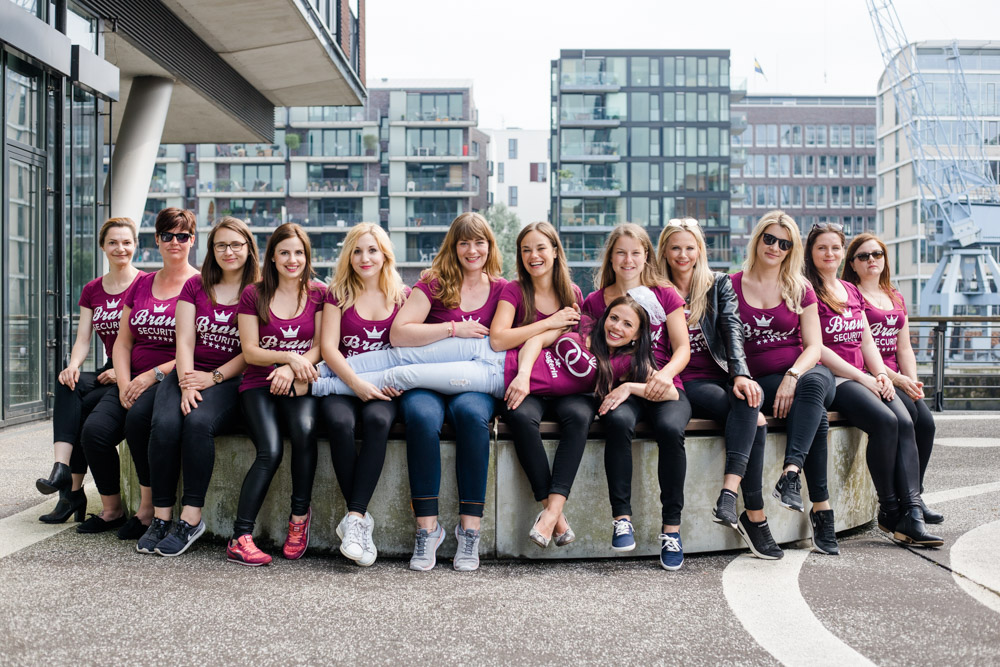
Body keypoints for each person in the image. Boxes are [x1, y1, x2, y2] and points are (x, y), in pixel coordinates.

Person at [806, 226, 942, 547]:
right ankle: (890, 509)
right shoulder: (807, 290)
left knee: (906, 421)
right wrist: (865, 376)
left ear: (841, 253)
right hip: (835, 378)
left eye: (835, 248)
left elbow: (866, 338)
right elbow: (817, 345)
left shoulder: (848, 291)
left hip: (866, 376)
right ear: (810, 253)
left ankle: (912, 511)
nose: (830, 254)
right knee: (885, 421)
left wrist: (881, 374)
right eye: (822, 248)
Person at [389, 212, 508, 572]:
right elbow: (399, 333)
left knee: (474, 418)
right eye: (464, 242)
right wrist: (452, 329)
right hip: (425, 382)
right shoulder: (436, 285)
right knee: (421, 419)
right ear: (453, 247)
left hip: (471, 385)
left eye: (480, 242)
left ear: (490, 245)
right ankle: (428, 528)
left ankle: (469, 530)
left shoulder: (503, 289)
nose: (472, 250)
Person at [657, 218, 780, 560]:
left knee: (749, 400)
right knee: (755, 420)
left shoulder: (717, 284)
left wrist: (741, 374)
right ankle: (753, 516)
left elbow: (732, 329)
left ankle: (729, 496)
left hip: (719, 375)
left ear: (700, 251)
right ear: (665, 251)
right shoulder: (653, 288)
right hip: (683, 382)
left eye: (690, 247)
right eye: (676, 247)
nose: (683, 254)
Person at [138, 217, 259, 556]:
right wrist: (189, 381)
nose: (228, 251)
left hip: (232, 378)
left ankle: (190, 519)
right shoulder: (196, 286)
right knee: (163, 424)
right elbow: (185, 340)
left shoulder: (258, 290)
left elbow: (252, 350)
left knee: (198, 423)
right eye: (221, 245)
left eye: (236, 244)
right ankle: (162, 517)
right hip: (189, 371)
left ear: (249, 248)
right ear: (211, 250)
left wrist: (214, 378)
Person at [79, 208, 199, 538]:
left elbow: (198, 348)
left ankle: (147, 511)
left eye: (182, 236)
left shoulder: (200, 285)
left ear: (192, 240)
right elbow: (122, 341)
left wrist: (152, 376)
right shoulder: (143, 283)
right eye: (167, 236)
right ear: (157, 240)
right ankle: (111, 509)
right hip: (130, 379)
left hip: (169, 378)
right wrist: (122, 382)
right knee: (95, 433)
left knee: (138, 423)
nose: (175, 242)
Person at [580, 223, 691, 570]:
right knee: (616, 420)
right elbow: (588, 350)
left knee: (671, 431)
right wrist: (623, 384)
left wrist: (665, 374)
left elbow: (683, 348)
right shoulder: (596, 301)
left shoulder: (665, 293)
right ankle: (622, 518)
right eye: (621, 252)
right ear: (611, 257)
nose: (628, 260)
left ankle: (671, 530)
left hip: (662, 383)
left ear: (646, 257)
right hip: (619, 385)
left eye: (635, 253)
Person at [732, 210, 839, 555]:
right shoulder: (731, 284)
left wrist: (792, 376)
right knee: (814, 418)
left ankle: (790, 473)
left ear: (792, 249)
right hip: (757, 381)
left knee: (813, 385)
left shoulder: (800, 287)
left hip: (803, 373)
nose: (775, 247)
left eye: (784, 243)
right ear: (757, 239)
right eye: (769, 238)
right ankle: (816, 509)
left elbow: (814, 347)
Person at [227, 223, 324, 567]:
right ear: (272, 257)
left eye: (299, 252)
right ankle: (240, 537)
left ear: (307, 257)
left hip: (299, 383)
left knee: (304, 431)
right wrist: (287, 357)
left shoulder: (319, 294)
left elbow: (320, 348)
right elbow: (251, 352)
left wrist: (292, 367)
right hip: (258, 384)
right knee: (269, 450)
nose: (292, 259)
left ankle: (298, 519)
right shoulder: (254, 294)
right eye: (284, 252)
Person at [489, 221, 590, 552]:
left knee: (579, 417)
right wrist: (547, 322)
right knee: (519, 416)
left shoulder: (572, 293)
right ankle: (555, 517)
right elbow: (499, 338)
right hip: (525, 380)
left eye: (541, 248)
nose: (534, 255)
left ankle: (550, 513)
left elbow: (573, 340)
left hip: (564, 382)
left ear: (555, 251)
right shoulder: (514, 291)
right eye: (526, 249)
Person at [36, 218, 143, 524]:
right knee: (67, 383)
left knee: (82, 412)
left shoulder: (145, 284)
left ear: (135, 245)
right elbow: (83, 338)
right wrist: (73, 365)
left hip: (134, 372)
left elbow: (153, 339)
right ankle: (61, 468)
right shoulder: (92, 289)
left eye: (126, 242)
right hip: (108, 368)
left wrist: (126, 374)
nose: (120, 248)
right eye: (113, 242)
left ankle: (70, 493)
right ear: (103, 247)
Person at [318, 223, 409, 567]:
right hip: (343, 384)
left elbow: (410, 350)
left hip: (385, 389)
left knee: (376, 423)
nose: (364, 258)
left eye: (372, 250)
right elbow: (328, 347)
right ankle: (359, 522)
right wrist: (356, 383)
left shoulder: (403, 295)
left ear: (385, 253)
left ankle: (354, 518)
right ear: (348, 255)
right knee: (340, 423)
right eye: (357, 251)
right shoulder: (337, 293)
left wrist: (398, 382)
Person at [842, 233, 942, 525]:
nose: (872, 260)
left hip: (899, 376)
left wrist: (912, 381)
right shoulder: (853, 295)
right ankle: (902, 501)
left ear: (885, 260)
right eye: (863, 256)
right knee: (907, 420)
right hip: (875, 375)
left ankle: (915, 495)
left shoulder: (894, 295)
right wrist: (896, 379)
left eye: (877, 254)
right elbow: (862, 347)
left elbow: (904, 346)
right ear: (853, 264)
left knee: (927, 423)